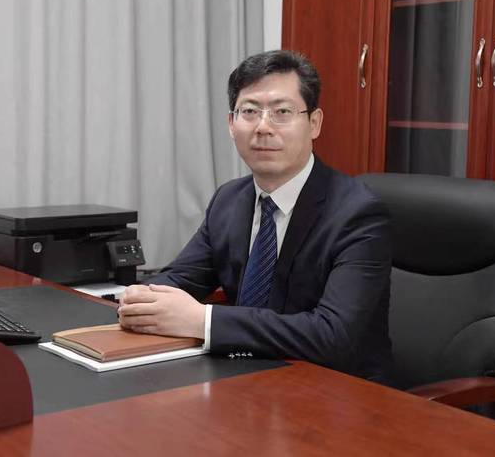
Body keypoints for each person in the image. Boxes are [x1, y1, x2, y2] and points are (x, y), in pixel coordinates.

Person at [118, 50, 393, 382]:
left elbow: (333, 335)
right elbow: (181, 279)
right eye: (249, 111)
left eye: (282, 112)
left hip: (337, 393)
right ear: (231, 124)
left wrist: (203, 321)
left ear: (314, 123)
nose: (263, 127)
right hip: (246, 381)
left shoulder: (358, 214)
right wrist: (142, 297)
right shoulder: (229, 200)